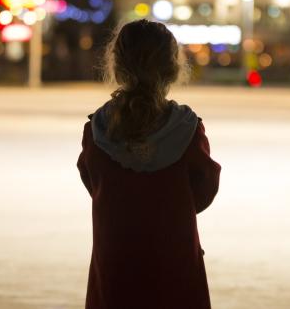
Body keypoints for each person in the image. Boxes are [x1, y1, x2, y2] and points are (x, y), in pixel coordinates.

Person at [77, 19, 221, 309]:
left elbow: (92, 180)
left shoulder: (98, 131)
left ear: (116, 66)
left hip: (116, 257)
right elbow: (205, 186)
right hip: (174, 257)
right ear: (172, 67)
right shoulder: (187, 130)